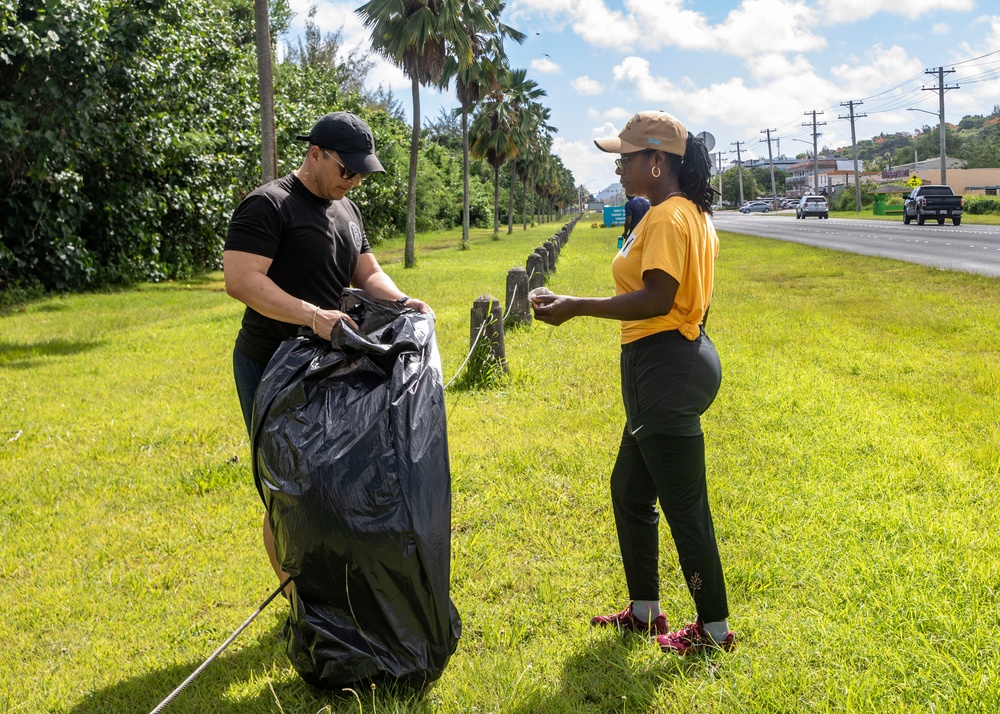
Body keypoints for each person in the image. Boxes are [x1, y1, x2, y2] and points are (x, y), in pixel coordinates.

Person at [532, 110, 734, 655]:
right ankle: (646, 613)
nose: (619, 167)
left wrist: (574, 306)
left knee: (685, 507)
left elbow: (658, 297)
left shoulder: (669, 217)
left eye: (625, 157)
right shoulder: (683, 212)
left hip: (663, 365)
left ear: (656, 161)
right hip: (670, 360)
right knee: (630, 489)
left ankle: (714, 630)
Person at [223, 111, 431, 596]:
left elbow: (368, 273)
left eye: (362, 173)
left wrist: (401, 301)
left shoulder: (347, 211)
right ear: (315, 154)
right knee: (288, 490)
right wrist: (313, 315)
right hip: (271, 366)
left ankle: (334, 590)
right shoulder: (268, 205)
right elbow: (242, 280)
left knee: (331, 484)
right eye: (347, 170)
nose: (354, 181)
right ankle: (300, 603)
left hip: (331, 364)